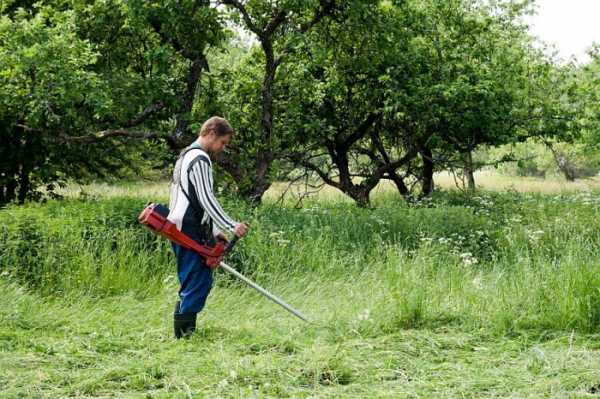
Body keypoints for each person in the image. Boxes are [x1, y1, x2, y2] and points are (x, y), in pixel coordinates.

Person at [167, 116, 249, 339]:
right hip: (189, 230)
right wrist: (232, 225)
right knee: (197, 282)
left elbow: (188, 199)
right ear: (211, 133)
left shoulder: (186, 155)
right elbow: (206, 199)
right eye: (222, 143)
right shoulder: (200, 158)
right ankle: (184, 338)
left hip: (183, 228)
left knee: (191, 282)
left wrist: (214, 231)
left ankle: (183, 336)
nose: (222, 148)